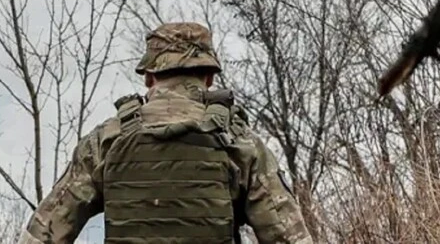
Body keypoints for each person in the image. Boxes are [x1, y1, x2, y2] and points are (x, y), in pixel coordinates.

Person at [16, 22, 313, 244]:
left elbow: (43, 234)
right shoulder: (240, 141)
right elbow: (287, 236)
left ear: (149, 77)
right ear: (209, 76)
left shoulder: (105, 141)